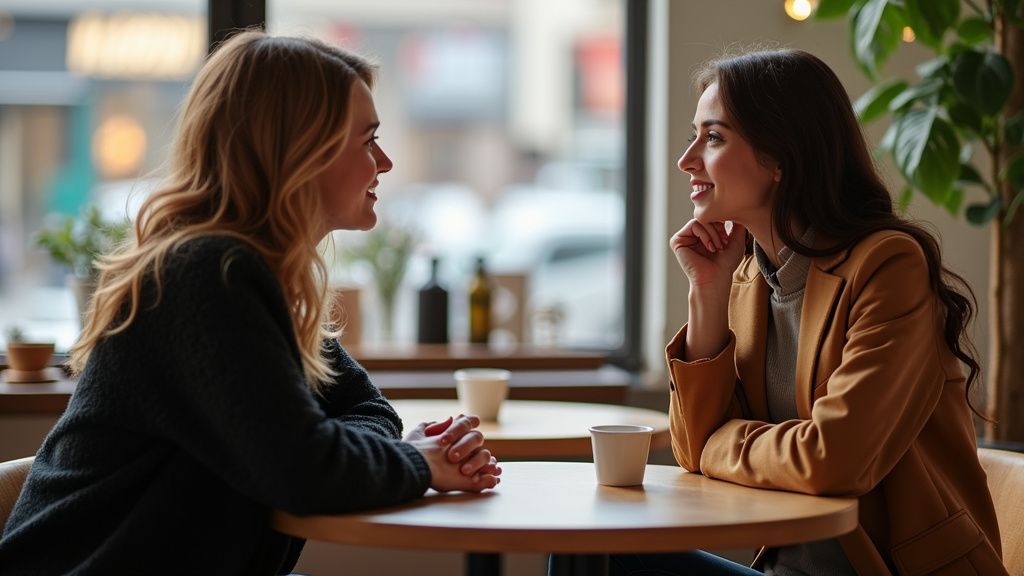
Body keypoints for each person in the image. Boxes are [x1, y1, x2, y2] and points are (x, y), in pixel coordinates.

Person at [0, 30, 500, 575]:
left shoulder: (257, 278)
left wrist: (374, 453)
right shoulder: (205, 276)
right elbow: (305, 471)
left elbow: (366, 414)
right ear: (298, 153)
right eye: (366, 140)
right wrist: (413, 462)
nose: (384, 162)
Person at [613, 49, 1005, 575]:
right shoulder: (750, 278)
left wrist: (721, 441)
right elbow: (690, 445)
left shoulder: (887, 266)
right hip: (788, 569)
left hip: (886, 570)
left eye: (713, 137)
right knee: (595, 554)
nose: (688, 160)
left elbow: (833, 460)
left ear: (780, 157)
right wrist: (707, 291)